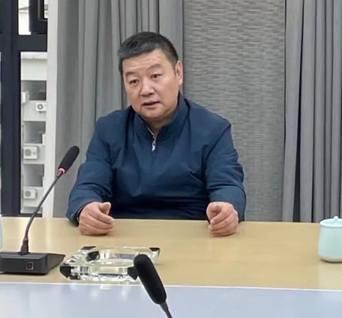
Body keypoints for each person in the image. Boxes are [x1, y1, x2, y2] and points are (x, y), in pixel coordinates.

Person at [66, 32, 246, 237]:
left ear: (178, 73)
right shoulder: (109, 129)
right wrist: (86, 208)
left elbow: (227, 185)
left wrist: (226, 209)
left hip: (192, 237)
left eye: (155, 76)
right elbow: (88, 184)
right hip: (122, 239)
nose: (146, 90)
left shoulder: (213, 129)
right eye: (134, 81)